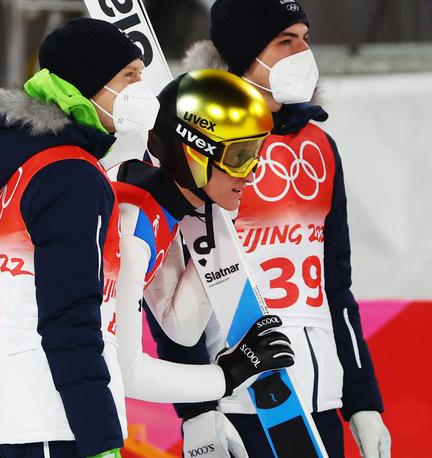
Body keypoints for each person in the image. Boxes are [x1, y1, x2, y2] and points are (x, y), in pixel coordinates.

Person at [149, 1, 391, 457]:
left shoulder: (320, 143)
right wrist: (197, 412)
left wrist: (362, 399)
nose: (303, 52)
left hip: (320, 397)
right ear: (246, 54)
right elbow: (165, 289)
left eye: (305, 37)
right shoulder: (195, 145)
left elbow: (335, 283)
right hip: (240, 396)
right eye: (286, 41)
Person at [0, 18, 155, 458]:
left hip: (5, 415)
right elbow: (70, 320)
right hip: (56, 420)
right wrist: (100, 441)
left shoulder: (20, 169)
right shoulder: (72, 175)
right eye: (129, 77)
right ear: (86, 86)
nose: (142, 88)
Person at [112, 69, 296, 458]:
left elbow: (180, 329)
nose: (252, 174)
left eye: (256, 155)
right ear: (193, 152)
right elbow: (125, 370)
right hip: (30, 406)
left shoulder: (162, 212)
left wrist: (217, 231)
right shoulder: (134, 225)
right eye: (241, 157)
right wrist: (227, 377)